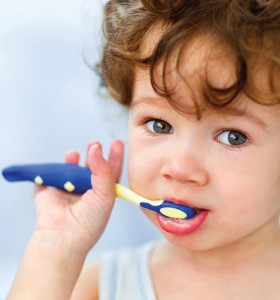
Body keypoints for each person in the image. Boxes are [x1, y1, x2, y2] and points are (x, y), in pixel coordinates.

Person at [7, 0, 280, 299]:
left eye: (232, 137)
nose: (178, 168)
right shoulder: (97, 286)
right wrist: (55, 246)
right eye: (159, 125)